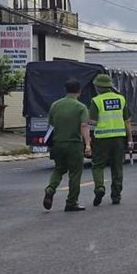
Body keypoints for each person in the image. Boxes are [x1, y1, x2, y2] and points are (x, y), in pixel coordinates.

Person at [43, 78, 92, 212]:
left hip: (58, 143)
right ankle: (71, 202)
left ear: (65, 90)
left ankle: (50, 189)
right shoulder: (81, 107)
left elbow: (51, 125)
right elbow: (84, 125)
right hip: (74, 144)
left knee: (59, 169)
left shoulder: (55, 105)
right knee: (75, 173)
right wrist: (87, 144)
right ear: (79, 91)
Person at [89, 74, 132, 206]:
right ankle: (116, 196)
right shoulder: (121, 99)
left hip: (101, 138)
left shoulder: (96, 101)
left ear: (98, 87)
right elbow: (127, 121)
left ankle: (99, 187)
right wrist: (130, 139)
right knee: (117, 167)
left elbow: (93, 122)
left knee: (98, 165)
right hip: (119, 138)